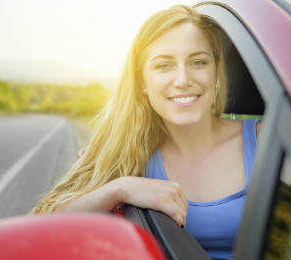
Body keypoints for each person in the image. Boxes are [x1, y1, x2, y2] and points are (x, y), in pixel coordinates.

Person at [31, 5, 261, 260]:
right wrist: (119, 189)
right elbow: (47, 225)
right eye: (164, 66)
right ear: (142, 83)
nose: (183, 79)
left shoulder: (267, 141)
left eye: (198, 62)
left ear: (217, 70)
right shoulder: (130, 150)